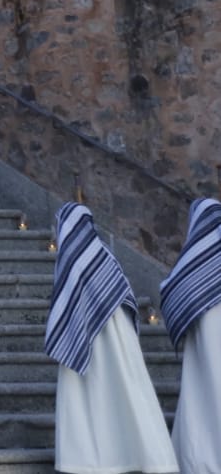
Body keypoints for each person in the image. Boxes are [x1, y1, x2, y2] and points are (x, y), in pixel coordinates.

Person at [47, 202, 178, 474]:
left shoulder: (71, 258)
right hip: (119, 343)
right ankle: (139, 455)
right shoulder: (104, 255)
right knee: (126, 393)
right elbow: (126, 296)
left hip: (90, 339)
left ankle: (85, 458)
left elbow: (67, 305)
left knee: (89, 397)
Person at [160, 197, 221, 471]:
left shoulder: (193, 260)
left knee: (201, 395)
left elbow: (171, 292)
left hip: (202, 341)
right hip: (206, 339)